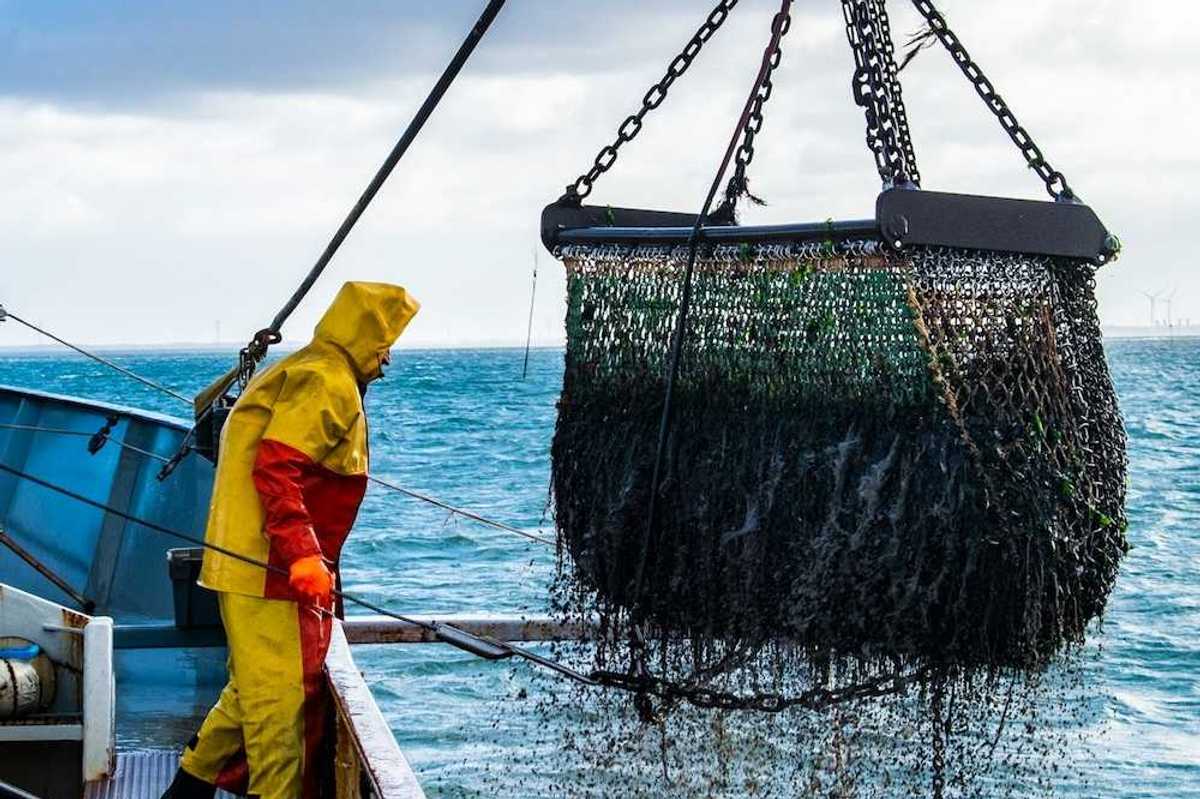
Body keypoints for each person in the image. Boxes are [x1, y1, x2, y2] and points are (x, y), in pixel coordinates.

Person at [162, 281, 420, 799]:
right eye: (384, 341)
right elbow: (277, 467)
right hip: (269, 570)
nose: (388, 356)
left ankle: (186, 790)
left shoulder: (302, 366)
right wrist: (303, 556)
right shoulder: (328, 381)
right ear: (363, 335)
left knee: (252, 691)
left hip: (246, 565)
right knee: (282, 715)